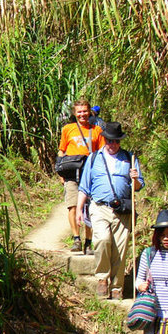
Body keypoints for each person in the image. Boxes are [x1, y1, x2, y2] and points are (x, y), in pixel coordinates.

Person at [76, 122, 144, 299]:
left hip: (122, 209)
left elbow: (137, 187)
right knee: (102, 240)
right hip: (99, 207)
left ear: (120, 142)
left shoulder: (129, 158)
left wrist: (135, 179)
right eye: (109, 141)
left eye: (116, 141)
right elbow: (84, 187)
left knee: (120, 248)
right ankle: (102, 279)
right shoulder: (93, 158)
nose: (112, 145)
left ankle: (117, 286)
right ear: (104, 140)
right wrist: (78, 210)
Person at [57, 100, 105, 253]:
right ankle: (76, 239)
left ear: (90, 112)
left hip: (90, 174)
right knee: (72, 206)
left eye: (85, 111)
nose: (82, 114)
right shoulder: (68, 129)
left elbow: (102, 153)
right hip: (71, 173)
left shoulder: (97, 130)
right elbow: (61, 151)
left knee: (89, 207)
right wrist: (60, 172)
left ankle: (88, 242)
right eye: (79, 111)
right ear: (74, 113)